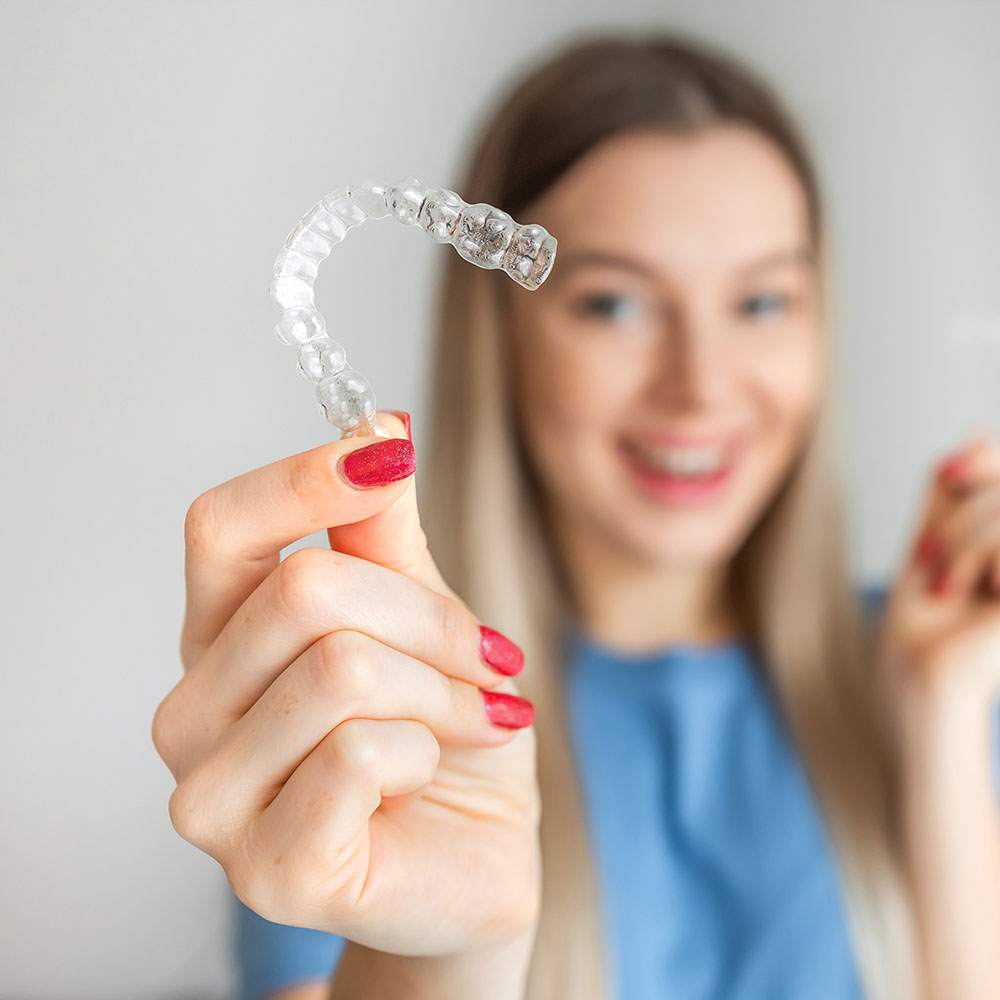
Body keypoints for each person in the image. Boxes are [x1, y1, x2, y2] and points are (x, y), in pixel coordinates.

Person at [152, 33, 1000, 1000]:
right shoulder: (377, 725)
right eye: (615, 306)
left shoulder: (954, 676)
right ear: (500, 331)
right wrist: (441, 950)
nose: (702, 388)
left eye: (762, 301)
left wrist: (940, 720)